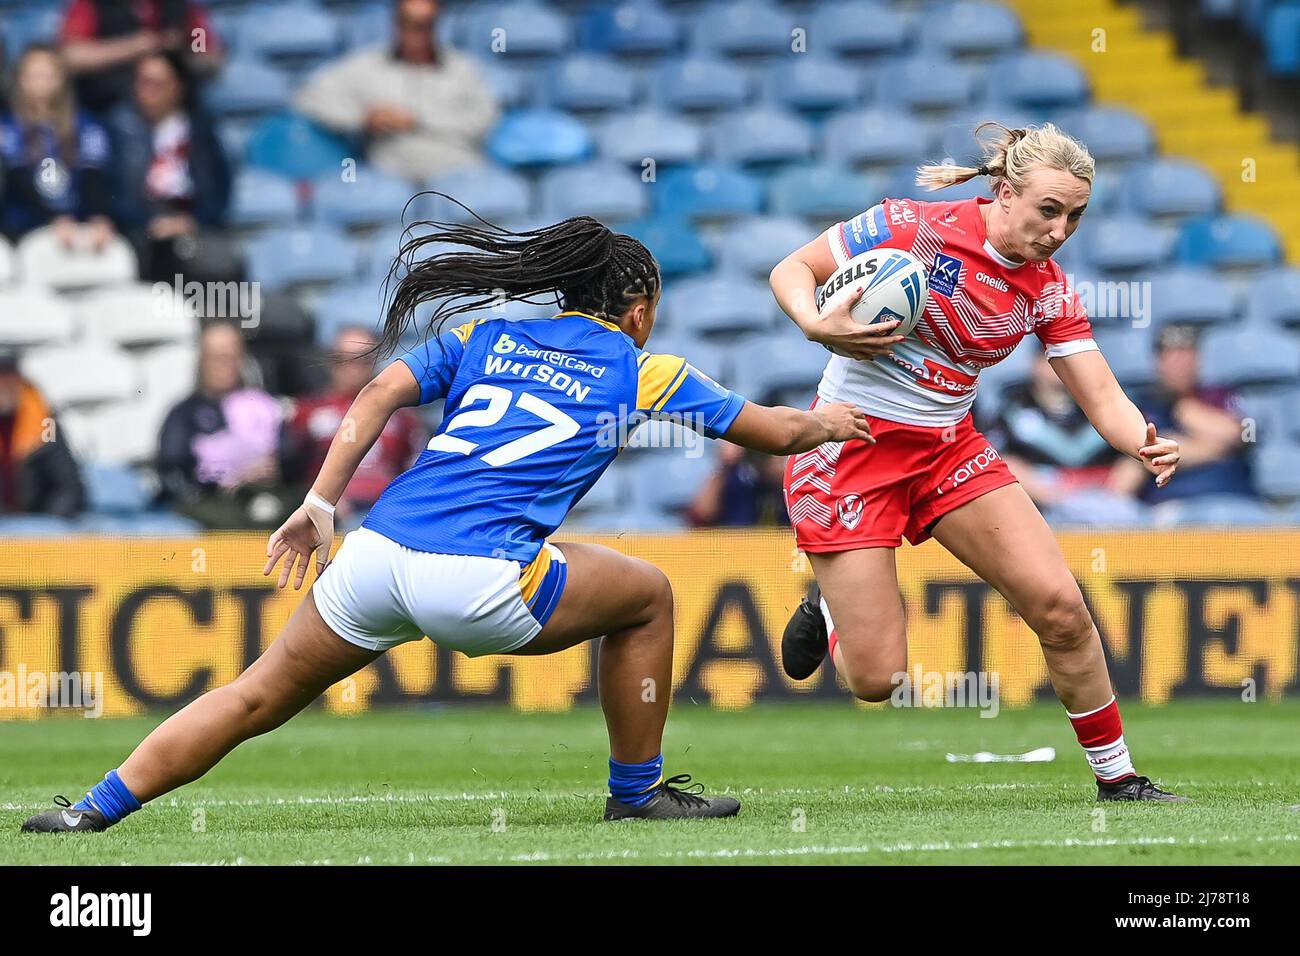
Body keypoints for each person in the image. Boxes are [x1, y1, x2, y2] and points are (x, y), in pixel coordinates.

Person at [22, 209, 872, 833]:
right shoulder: (647, 370)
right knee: (647, 595)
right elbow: (778, 433)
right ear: (638, 308)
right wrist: (844, 414)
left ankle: (92, 812)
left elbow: (381, 388)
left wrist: (319, 502)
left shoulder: (489, 332)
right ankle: (637, 791)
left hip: (376, 557)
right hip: (481, 580)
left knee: (253, 696)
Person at [770, 123, 1189, 803]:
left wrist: (1142, 437)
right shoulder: (910, 227)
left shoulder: (1046, 287)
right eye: (1048, 210)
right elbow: (792, 268)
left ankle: (1120, 779)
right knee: (876, 680)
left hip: (947, 450)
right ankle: (833, 607)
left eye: (1075, 216)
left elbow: (1100, 390)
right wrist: (812, 321)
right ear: (1003, 191)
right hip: (851, 445)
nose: (1060, 230)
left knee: (1060, 608)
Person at [293, 0, 498, 182]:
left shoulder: (463, 68)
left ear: (436, 26)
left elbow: (484, 121)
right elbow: (307, 96)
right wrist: (363, 119)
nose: (415, 32)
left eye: (424, 25)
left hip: (456, 172)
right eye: (407, 22)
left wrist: (416, 120)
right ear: (396, 24)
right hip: (391, 177)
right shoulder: (365, 65)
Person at [156, 321, 296, 530]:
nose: (224, 365)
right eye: (216, 357)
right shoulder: (183, 414)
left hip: (264, 500)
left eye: (230, 357)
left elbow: (290, 459)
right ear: (202, 360)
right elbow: (172, 471)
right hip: (208, 509)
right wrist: (223, 482)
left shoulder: (265, 406)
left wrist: (274, 468)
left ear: (242, 359)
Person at [106, 50, 231, 283]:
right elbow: (111, 192)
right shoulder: (119, 129)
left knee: (221, 263)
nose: (149, 91)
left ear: (177, 86)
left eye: (158, 83)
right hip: (138, 230)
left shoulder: (199, 129)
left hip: (193, 224)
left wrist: (194, 221)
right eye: (143, 82)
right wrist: (147, 223)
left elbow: (220, 189)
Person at [282, 327, 425, 528]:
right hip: (326, 511)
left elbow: (416, 475)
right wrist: (322, 499)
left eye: (362, 359)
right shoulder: (305, 413)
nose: (352, 367)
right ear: (332, 362)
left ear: (375, 363)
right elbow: (288, 473)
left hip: (386, 511)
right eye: (344, 359)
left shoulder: (402, 417)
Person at [1109, 323, 1253, 502]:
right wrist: (1215, 448)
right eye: (1171, 355)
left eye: (1186, 354)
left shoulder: (1221, 394)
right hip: (1166, 505)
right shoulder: (1143, 404)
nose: (1179, 364)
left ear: (1198, 358)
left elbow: (1238, 435)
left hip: (1230, 499)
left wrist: (1184, 410)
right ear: (1157, 361)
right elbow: (1139, 458)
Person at [980, 350, 1130, 509]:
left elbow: (1132, 456)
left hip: (1104, 502)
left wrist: (1112, 495)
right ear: (1036, 364)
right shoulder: (1010, 411)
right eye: (1052, 359)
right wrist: (1050, 495)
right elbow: (997, 459)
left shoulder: (1101, 407)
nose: (1063, 366)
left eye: (1069, 360)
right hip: (1037, 504)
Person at [0, 45, 114, 247]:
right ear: (19, 79)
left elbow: (92, 174)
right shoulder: (8, 126)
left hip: (75, 222)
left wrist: (98, 216)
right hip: (24, 226)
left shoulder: (85, 123)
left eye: (47, 75)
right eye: (33, 75)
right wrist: (53, 218)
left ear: (62, 79)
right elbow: (17, 178)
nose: (40, 82)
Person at [60, 0, 223, 116]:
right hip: (110, 104)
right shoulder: (92, 4)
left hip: (179, 107)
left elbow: (207, 53)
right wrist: (135, 47)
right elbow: (72, 55)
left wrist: (182, 50)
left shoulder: (181, 7)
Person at [0, 350, 85, 518]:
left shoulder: (44, 424)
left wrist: (48, 524)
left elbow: (68, 485)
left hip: (36, 527)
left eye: (11, 381)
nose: (6, 389)